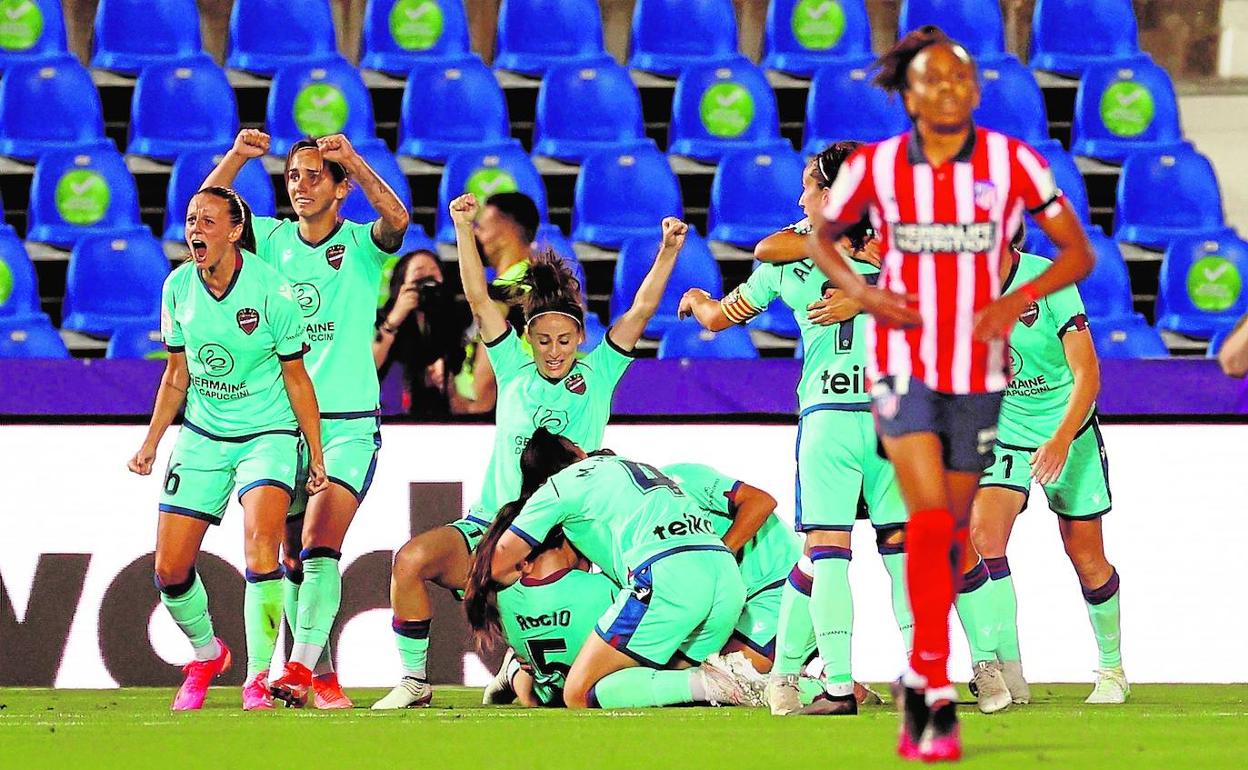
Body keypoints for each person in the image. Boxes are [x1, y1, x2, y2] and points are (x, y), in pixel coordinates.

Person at [777, 26, 1095, 761]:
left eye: (957, 78)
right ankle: (931, 694)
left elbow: (1076, 251)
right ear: (910, 94)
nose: (944, 92)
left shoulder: (1013, 164)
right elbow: (817, 236)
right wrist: (865, 291)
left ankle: (957, 674)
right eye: (928, 80)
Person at [371, 194, 687, 709]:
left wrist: (668, 251)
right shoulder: (514, 375)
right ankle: (414, 681)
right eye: (543, 340)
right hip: (493, 528)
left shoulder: (599, 374)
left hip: (568, 537)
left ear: (580, 337)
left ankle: (527, 660)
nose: (555, 350)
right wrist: (463, 228)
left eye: (565, 340)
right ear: (528, 339)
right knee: (410, 561)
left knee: (577, 658)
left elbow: (642, 310)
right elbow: (477, 297)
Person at [680, 143, 913, 717]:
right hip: (894, 415)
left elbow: (720, 317)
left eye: (808, 185)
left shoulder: (788, 260)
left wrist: (699, 300)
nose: (798, 196)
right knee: (902, 555)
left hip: (829, 419)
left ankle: (836, 685)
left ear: (831, 195)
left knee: (827, 553)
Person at [203, 128, 411, 708]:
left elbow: (397, 221)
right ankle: (319, 676)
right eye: (293, 175)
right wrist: (239, 157)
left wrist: (353, 159)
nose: (301, 185)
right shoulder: (268, 239)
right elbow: (207, 215)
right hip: (283, 423)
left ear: (341, 189)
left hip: (346, 423)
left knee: (320, 542)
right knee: (290, 554)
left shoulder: (361, 244)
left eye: (315, 175)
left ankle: (295, 667)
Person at [126, 187, 328, 711]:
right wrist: (151, 442)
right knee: (169, 570)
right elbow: (177, 374)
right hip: (203, 433)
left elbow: (298, 380)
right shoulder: (177, 288)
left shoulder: (272, 293)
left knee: (263, 549)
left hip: (269, 433)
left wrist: (316, 453)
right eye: (191, 219)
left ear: (235, 232)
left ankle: (257, 678)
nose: (196, 229)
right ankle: (206, 653)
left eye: (209, 221)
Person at [956, 227, 1126, 708]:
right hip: (1006, 427)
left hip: (1068, 428)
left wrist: (1060, 440)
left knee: (1086, 557)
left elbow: (1087, 372)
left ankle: (1112, 668)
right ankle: (1007, 671)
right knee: (984, 541)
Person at [469, 460, 796, 709]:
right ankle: (812, 682)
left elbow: (498, 562)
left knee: (580, 693)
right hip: (726, 581)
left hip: (752, 586)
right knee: (667, 681)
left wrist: (484, 587)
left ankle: (717, 683)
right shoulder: (646, 484)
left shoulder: (566, 495)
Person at [452, 192, 542, 415]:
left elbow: (487, 378)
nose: (476, 232)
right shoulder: (527, 283)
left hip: (491, 417)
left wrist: (473, 411)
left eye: (481, 227)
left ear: (505, 232)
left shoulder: (515, 293)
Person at [373, 249, 471, 418]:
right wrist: (394, 319)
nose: (427, 280)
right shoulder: (380, 319)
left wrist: (446, 379)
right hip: (393, 416)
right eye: (419, 273)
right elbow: (368, 367)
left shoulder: (458, 320)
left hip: (444, 417)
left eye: (434, 273)